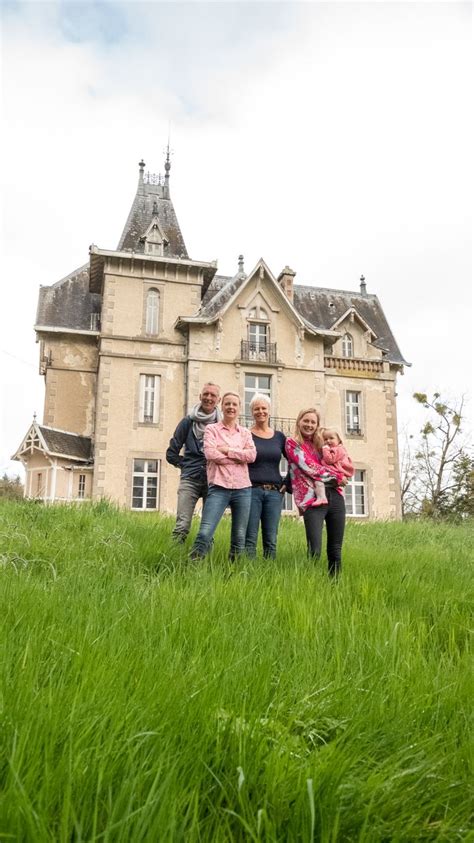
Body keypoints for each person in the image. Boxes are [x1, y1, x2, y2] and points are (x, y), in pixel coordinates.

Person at [189, 392, 256, 560]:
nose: (231, 407)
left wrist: (227, 450)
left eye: (234, 404)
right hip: (219, 487)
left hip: (243, 489)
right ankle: (192, 567)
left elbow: (252, 456)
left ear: (239, 408)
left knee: (239, 538)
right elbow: (210, 454)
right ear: (222, 406)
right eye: (228, 404)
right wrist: (238, 457)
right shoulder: (212, 429)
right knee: (205, 532)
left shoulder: (245, 433)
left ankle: (233, 575)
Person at [285, 408, 347, 577]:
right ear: (299, 421)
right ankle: (309, 587)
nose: (309, 425)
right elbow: (308, 467)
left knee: (335, 550)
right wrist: (336, 476)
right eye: (306, 421)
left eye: (313, 422)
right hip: (312, 500)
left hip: (335, 496)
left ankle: (335, 587)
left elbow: (339, 458)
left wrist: (341, 472)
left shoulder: (323, 445)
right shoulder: (292, 443)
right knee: (315, 550)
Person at [166, 382, 221, 543]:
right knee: (181, 526)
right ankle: (173, 557)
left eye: (213, 395)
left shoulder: (221, 424)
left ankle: (204, 563)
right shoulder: (187, 422)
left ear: (218, 400)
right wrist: (186, 464)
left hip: (213, 481)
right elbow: (171, 453)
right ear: (200, 397)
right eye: (206, 394)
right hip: (190, 479)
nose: (209, 398)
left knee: (208, 530)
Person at [244, 393, 289, 558]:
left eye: (264, 408)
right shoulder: (245, 434)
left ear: (269, 411)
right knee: (250, 537)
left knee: (270, 539)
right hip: (251, 491)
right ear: (252, 412)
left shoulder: (279, 437)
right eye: (257, 409)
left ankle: (268, 573)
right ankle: (248, 572)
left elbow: (295, 460)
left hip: (275, 493)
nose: (260, 411)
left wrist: (288, 481)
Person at [311, 427, 354, 506]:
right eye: (325, 439)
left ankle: (321, 497)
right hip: (334, 471)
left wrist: (325, 449)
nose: (328, 441)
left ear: (339, 440)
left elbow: (329, 460)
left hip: (337, 470)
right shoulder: (332, 449)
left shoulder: (339, 449)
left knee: (318, 480)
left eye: (331, 438)